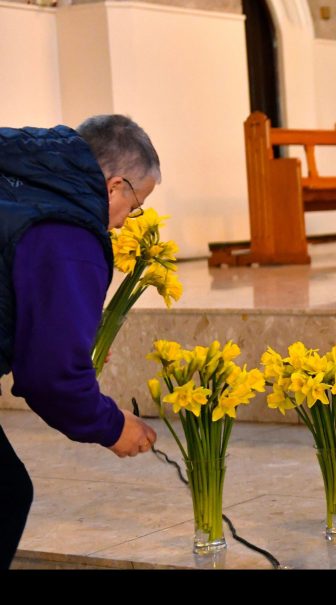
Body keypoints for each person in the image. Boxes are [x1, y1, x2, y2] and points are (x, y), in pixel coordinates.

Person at [0, 114, 160, 569]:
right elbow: (50, 377)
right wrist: (111, 426)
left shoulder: (23, 176)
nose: (126, 223)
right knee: (5, 494)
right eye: (135, 206)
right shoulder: (69, 233)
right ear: (113, 187)